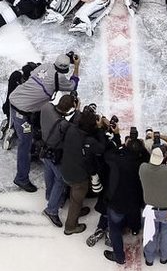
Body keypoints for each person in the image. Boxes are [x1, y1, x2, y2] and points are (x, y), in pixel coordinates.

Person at [8, 53, 81, 192]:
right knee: (25, 144)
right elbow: (73, 85)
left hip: (15, 99)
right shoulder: (59, 78)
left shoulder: (45, 66)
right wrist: (76, 66)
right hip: (22, 113)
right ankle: (21, 178)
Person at [61, 104, 107, 235]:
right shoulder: (89, 141)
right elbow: (101, 148)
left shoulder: (71, 129)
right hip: (78, 176)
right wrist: (99, 130)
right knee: (77, 197)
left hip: (67, 169)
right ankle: (70, 226)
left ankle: (76, 210)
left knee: (74, 194)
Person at [103, 134, 145, 264]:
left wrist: (121, 145)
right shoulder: (143, 163)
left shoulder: (118, 161)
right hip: (135, 200)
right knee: (134, 214)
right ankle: (135, 229)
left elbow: (107, 155)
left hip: (117, 202)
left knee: (114, 229)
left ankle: (119, 256)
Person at [39, 94, 78, 227]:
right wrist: (76, 111)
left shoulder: (46, 107)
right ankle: (51, 210)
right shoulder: (63, 124)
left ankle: (50, 195)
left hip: (44, 148)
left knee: (48, 171)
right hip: (55, 154)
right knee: (61, 179)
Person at [140, 144, 167, 266]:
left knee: (150, 233)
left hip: (150, 210)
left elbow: (148, 164)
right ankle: (164, 257)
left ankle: (149, 258)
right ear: (164, 157)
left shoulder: (143, 168)